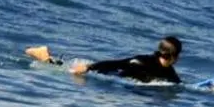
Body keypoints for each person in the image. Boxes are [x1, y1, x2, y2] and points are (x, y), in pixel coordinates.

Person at [25, 35, 182, 84]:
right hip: (108, 74)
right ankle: (44, 56)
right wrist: (89, 67)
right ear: (173, 56)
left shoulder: (169, 70)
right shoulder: (143, 61)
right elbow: (117, 63)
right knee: (65, 71)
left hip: (116, 81)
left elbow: (178, 84)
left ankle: (48, 57)